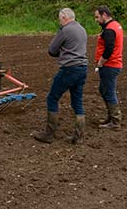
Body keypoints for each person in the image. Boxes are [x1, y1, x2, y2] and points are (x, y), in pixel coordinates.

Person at [33, 8, 89, 144]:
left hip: (69, 69)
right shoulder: (82, 29)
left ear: (64, 18)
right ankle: (79, 136)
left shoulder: (65, 30)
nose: (60, 22)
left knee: (52, 98)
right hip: (83, 68)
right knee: (78, 101)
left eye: (60, 19)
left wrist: (62, 52)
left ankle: (49, 134)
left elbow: (52, 50)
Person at [93, 6, 124, 129]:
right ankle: (111, 117)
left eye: (97, 17)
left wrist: (100, 62)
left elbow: (109, 49)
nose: (96, 20)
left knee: (109, 92)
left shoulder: (109, 30)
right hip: (113, 64)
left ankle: (115, 121)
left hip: (110, 65)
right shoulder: (116, 25)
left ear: (104, 15)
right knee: (103, 90)